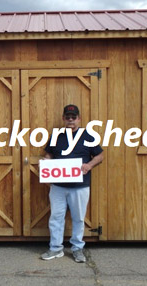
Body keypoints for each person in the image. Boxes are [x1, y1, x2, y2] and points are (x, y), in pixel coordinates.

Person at [40, 104, 103, 263]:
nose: (70, 120)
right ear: (63, 119)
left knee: (78, 218)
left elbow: (100, 155)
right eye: (67, 117)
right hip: (58, 186)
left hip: (79, 186)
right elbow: (49, 154)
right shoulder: (56, 135)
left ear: (79, 119)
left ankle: (77, 249)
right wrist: (45, 163)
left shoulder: (88, 136)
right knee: (56, 217)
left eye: (73, 117)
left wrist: (89, 165)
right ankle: (55, 248)